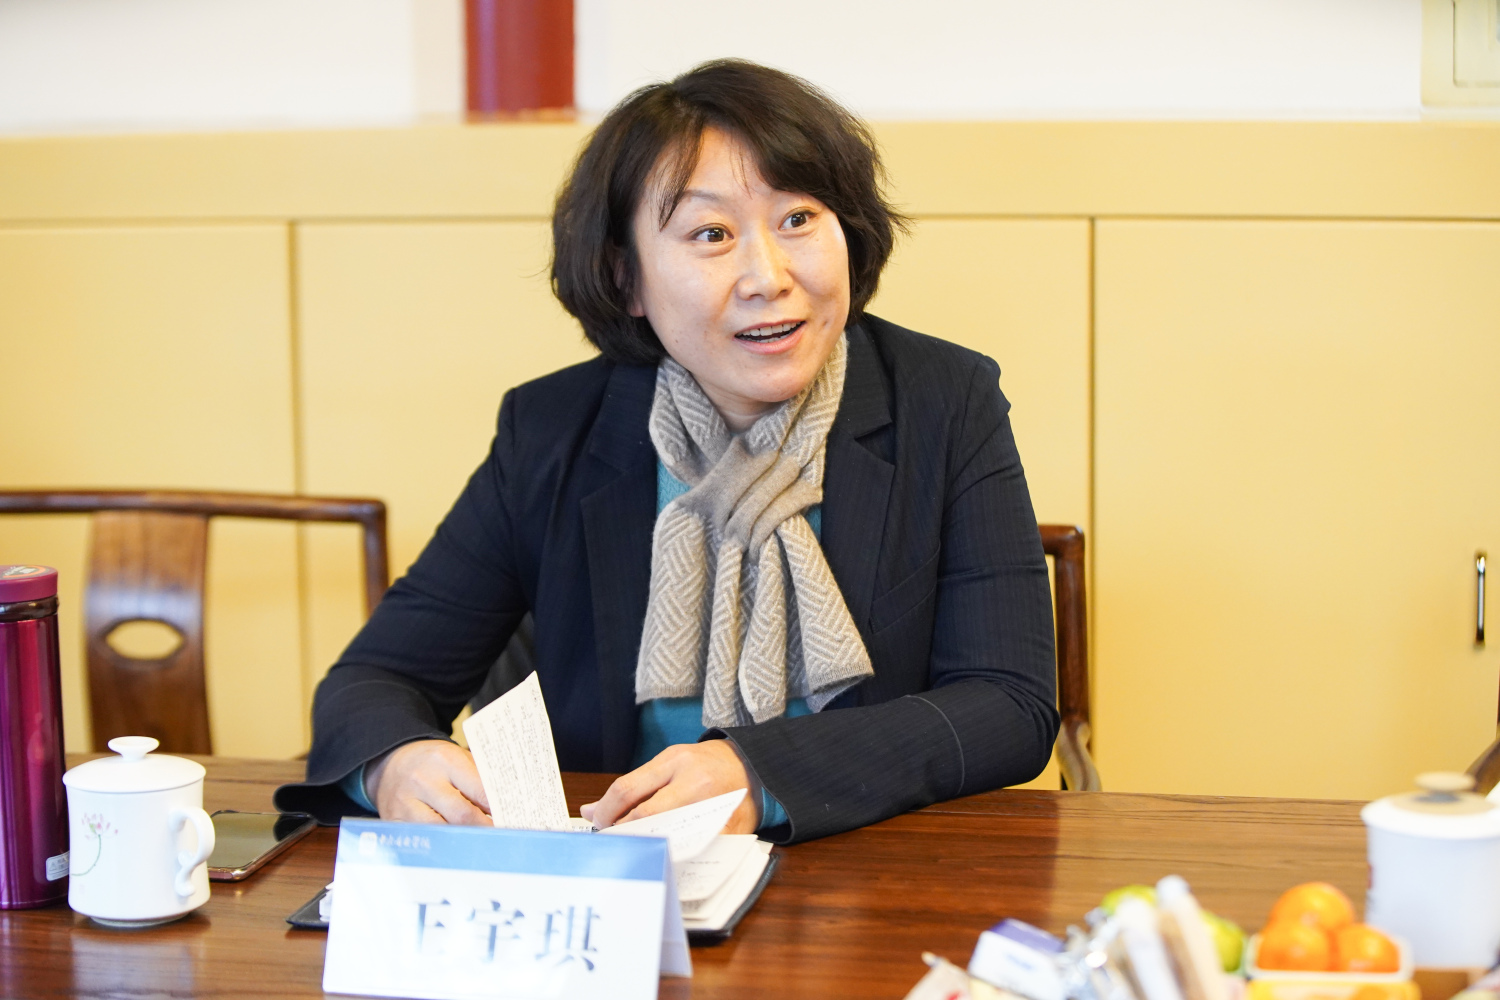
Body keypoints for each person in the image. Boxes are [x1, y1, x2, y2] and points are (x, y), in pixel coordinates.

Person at [275, 59, 1057, 844]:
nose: (768, 276)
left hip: (872, 870)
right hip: (620, 877)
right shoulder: (552, 430)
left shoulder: (944, 401)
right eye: (711, 234)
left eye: (798, 218)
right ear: (627, 280)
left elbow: (1008, 703)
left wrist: (761, 774)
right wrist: (397, 765)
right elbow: (375, 681)